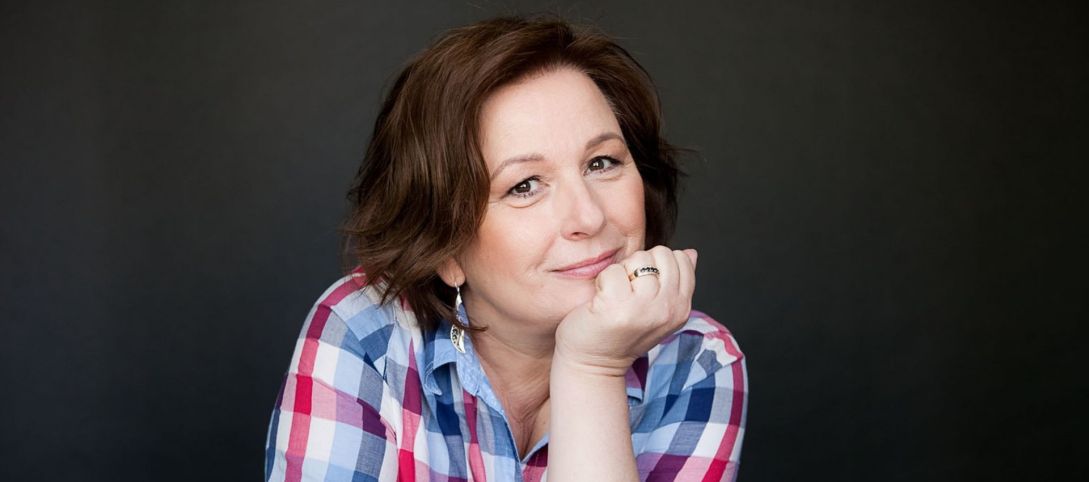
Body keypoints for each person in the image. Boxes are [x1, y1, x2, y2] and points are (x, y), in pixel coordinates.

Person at [264, 16, 747, 482]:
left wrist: (591, 370)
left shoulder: (697, 362)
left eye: (602, 162)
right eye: (524, 186)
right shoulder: (367, 334)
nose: (589, 217)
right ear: (445, 249)